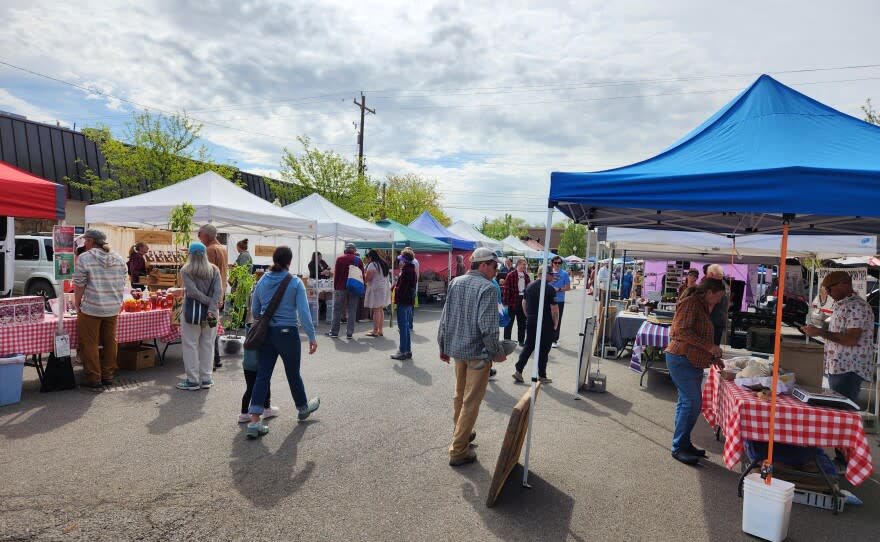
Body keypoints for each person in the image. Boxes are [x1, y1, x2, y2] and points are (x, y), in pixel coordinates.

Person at [438, 247, 507, 466]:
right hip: (478, 352)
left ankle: (462, 435)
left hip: (458, 349)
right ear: (484, 265)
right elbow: (488, 327)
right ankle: (458, 450)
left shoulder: (456, 282)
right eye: (495, 266)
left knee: (459, 395)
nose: (496, 271)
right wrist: (497, 353)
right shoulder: (487, 288)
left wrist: (443, 344)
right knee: (470, 401)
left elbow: (446, 317)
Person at [246, 246, 319, 439]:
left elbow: (255, 310)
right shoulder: (295, 282)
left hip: (266, 334)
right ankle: (303, 408)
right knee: (293, 373)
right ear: (289, 261)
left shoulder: (262, 280)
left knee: (263, 374)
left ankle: (254, 421)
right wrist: (312, 337)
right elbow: (304, 313)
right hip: (288, 333)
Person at [665, 278, 726, 466]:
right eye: (718, 296)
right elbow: (681, 332)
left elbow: (697, 335)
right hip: (682, 359)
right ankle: (678, 447)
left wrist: (712, 357)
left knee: (687, 403)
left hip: (690, 360)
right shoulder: (692, 303)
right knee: (691, 403)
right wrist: (710, 347)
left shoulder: (701, 304)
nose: (718, 301)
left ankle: (683, 443)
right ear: (709, 292)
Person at [802, 271, 874, 403]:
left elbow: (851, 339)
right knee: (837, 409)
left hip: (849, 369)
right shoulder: (844, 304)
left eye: (829, 288)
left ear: (844, 284)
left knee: (841, 410)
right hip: (839, 367)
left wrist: (819, 332)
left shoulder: (857, 306)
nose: (828, 293)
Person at [72, 229, 127, 389]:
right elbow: (123, 279)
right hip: (112, 307)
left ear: (90, 241)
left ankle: (94, 377)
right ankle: (108, 375)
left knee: (89, 343)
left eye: (85, 241)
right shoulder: (118, 257)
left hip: (92, 307)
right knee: (110, 341)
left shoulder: (85, 258)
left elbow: (79, 284)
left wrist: (77, 303)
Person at [176, 242, 222, 391]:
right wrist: (212, 306)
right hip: (212, 313)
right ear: (205, 255)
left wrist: (207, 302)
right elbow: (218, 291)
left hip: (191, 313)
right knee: (208, 344)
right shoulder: (214, 269)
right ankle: (206, 378)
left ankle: (193, 380)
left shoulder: (186, 270)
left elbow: (192, 292)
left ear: (189, 254)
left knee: (190, 345)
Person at [238, 270, 280, 423]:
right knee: (263, 385)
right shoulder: (263, 329)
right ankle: (266, 408)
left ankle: (244, 413)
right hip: (258, 364)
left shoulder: (250, 327)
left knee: (250, 388)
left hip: (247, 364)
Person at [512, 270, 559, 384]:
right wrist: (556, 323)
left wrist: (528, 315)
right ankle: (542, 376)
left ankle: (518, 370)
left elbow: (524, 303)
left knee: (528, 346)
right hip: (545, 322)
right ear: (545, 274)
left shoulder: (529, 286)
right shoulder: (549, 289)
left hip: (532, 320)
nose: (553, 277)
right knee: (544, 349)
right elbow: (554, 309)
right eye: (551, 274)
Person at [197, 224, 228, 370]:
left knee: (207, 329)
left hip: (209, 295)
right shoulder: (222, 248)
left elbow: (205, 275)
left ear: (206, 235)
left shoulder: (209, 250)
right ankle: (215, 359)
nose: (198, 236)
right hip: (220, 292)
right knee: (212, 327)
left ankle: (210, 362)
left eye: (200, 234)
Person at [326, 243, 364, 339]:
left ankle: (334, 332)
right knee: (352, 310)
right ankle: (349, 333)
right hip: (354, 287)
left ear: (345, 250)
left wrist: (335, 287)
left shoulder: (340, 259)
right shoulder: (358, 260)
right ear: (354, 251)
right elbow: (362, 275)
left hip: (340, 287)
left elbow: (336, 275)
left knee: (337, 310)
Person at [391, 252, 417, 360]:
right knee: (406, 327)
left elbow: (402, 289)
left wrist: (394, 289)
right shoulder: (412, 270)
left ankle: (402, 351)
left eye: (401, 259)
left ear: (405, 260)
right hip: (409, 301)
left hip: (403, 301)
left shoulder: (406, 271)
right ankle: (407, 350)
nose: (400, 261)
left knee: (403, 327)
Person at [502, 258, 530, 346]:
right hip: (512, 301)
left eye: (525, 264)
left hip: (523, 300)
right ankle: (507, 341)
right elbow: (506, 289)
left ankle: (521, 341)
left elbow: (528, 289)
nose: (524, 266)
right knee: (509, 323)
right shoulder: (511, 275)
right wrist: (506, 303)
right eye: (522, 264)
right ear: (517, 264)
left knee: (522, 323)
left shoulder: (526, 276)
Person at [364, 249, 390, 337]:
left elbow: (368, 278)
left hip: (376, 289)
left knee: (376, 310)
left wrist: (362, 276)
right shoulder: (383, 263)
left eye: (367, 258)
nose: (366, 260)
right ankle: (380, 330)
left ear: (370, 257)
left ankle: (375, 331)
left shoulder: (372, 264)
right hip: (383, 288)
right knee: (380, 310)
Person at [703, 264, 729, 345]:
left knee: (709, 348)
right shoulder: (725, 284)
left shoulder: (716, 286)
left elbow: (711, 305)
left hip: (711, 322)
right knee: (713, 347)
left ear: (710, 274)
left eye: (707, 273)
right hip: (719, 320)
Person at [549, 257, 571, 348]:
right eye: (555, 262)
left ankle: (554, 339)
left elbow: (568, 287)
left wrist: (559, 289)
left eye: (559, 263)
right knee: (547, 319)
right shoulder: (549, 273)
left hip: (559, 300)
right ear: (552, 263)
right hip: (548, 299)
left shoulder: (564, 274)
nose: (557, 264)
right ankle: (547, 338)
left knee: (557, 319)